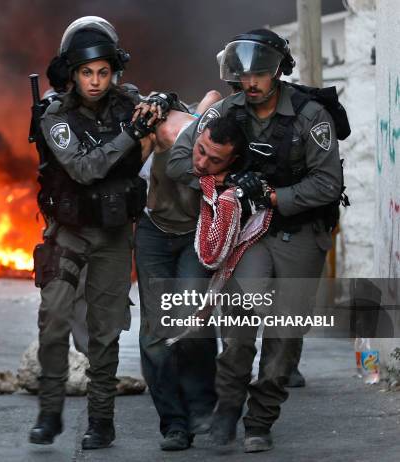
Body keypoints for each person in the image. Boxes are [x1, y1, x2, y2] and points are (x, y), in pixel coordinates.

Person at [168, 29, 344, 453]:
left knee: (284, 337)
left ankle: (261, 419)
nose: (251, 83)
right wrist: (226, 181)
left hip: (300, 232)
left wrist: (269, 195)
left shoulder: (310, 116)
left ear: (278, 72)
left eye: (261, 74)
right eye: (244, 75)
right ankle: (228, 410)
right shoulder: (228, 112)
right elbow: (179, 161)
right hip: (251, 234)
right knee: (238, 324)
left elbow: (328, 184)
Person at [29, 16, 156, 450]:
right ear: (72, 73)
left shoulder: (130, 104)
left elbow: (172, 122)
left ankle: (101, 420)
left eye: (103, 72)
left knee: (105, 334)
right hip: (69, 233)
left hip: (115, 235)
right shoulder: (55, 115)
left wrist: (161, 109)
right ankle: (49, 413)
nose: (96, 82)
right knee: (53, 323)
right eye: (86, 73)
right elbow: (83, 169)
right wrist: (130, 136)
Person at [135, 90, 222, 451]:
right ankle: (173, 422)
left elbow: (214, 96)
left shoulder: (209, 131)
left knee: (192, 319)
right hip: (154, 234)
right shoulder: (154, 129)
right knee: (156, 332)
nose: (196, 159)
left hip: (193, 236)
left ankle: (203, 402)